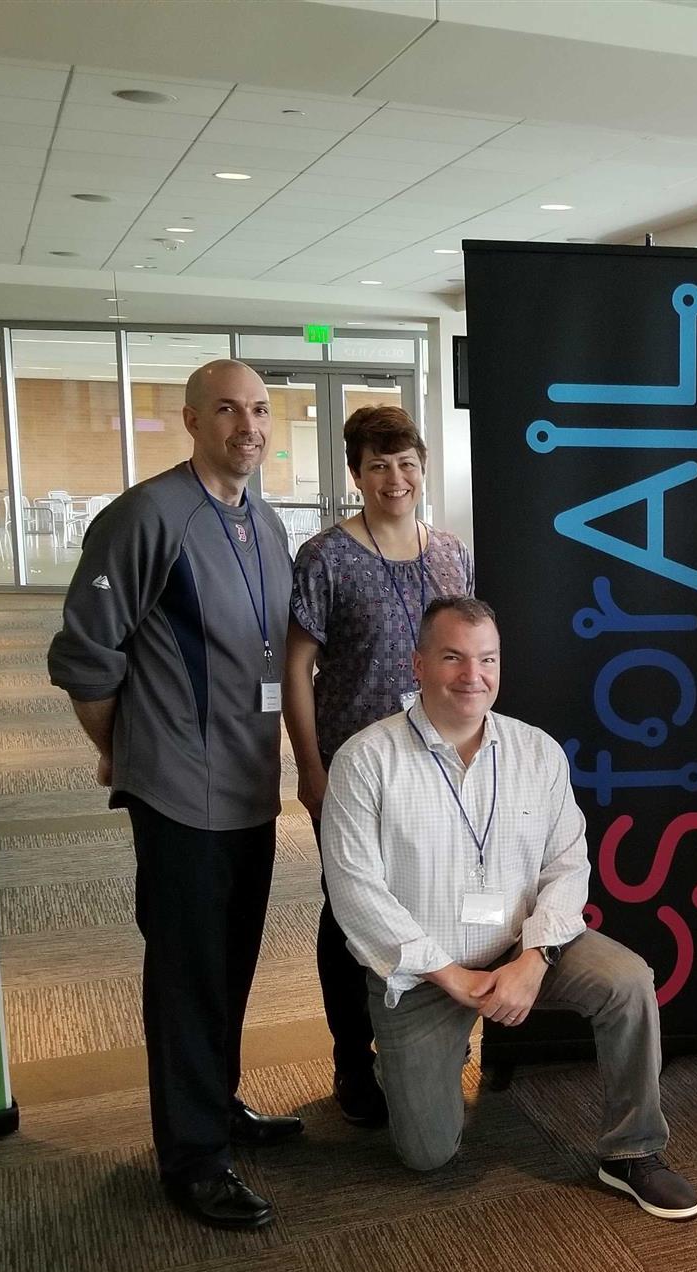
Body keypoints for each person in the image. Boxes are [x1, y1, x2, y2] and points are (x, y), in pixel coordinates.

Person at [320, 597, 697, 1220]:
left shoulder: (537, 752)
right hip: (422, 971)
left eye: (487, 659)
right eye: (453, 658)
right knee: (427, 1154)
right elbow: (355, 890)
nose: (473, 676)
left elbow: (567, 864)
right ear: (417, 665)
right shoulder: (367, 761)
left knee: (628, 981)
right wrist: (448, 974)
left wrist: (536, 956)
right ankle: (421, 1060)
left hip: (522, 945)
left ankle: (633, 1152)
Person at [48, 358, 304, 1233]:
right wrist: (123, 750)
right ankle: (192, 1156)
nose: (249, 425)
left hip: (248, 788)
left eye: (262, 409)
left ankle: (217, 1104)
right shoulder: (146, 516)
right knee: (187, 973)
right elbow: (87, 659)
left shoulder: (266, 523)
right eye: (228, 409)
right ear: (191, 419)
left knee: (230, 964)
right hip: (178, 795)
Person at [285, 405, 474, 1129]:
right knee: (352, 915)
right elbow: (299, 669)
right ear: (355, 474)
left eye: (405, 464)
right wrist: (309, 768)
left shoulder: (449, 553)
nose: (393, 478)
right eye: (376, 466)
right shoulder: (326, 558)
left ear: (422, 468)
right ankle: (352, 1059)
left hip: (440, 768)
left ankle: (435, 1045)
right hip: (355, 773)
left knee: (436, 901)